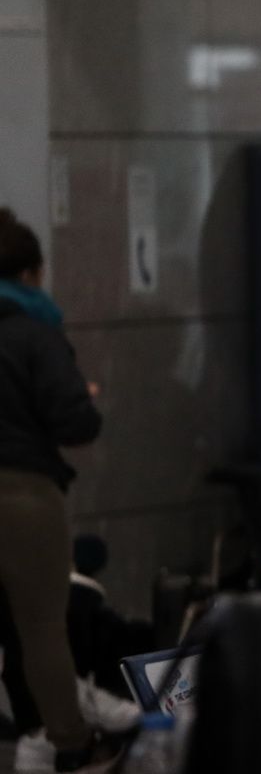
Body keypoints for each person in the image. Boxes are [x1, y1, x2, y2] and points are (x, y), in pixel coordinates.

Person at [0, 209, 121, 772]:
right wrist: (82, 397)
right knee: (42, 629)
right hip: (23, 495)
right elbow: (76, 423)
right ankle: (70, 745)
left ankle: (34, 737)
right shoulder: (34, 333)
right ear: (30, 273)